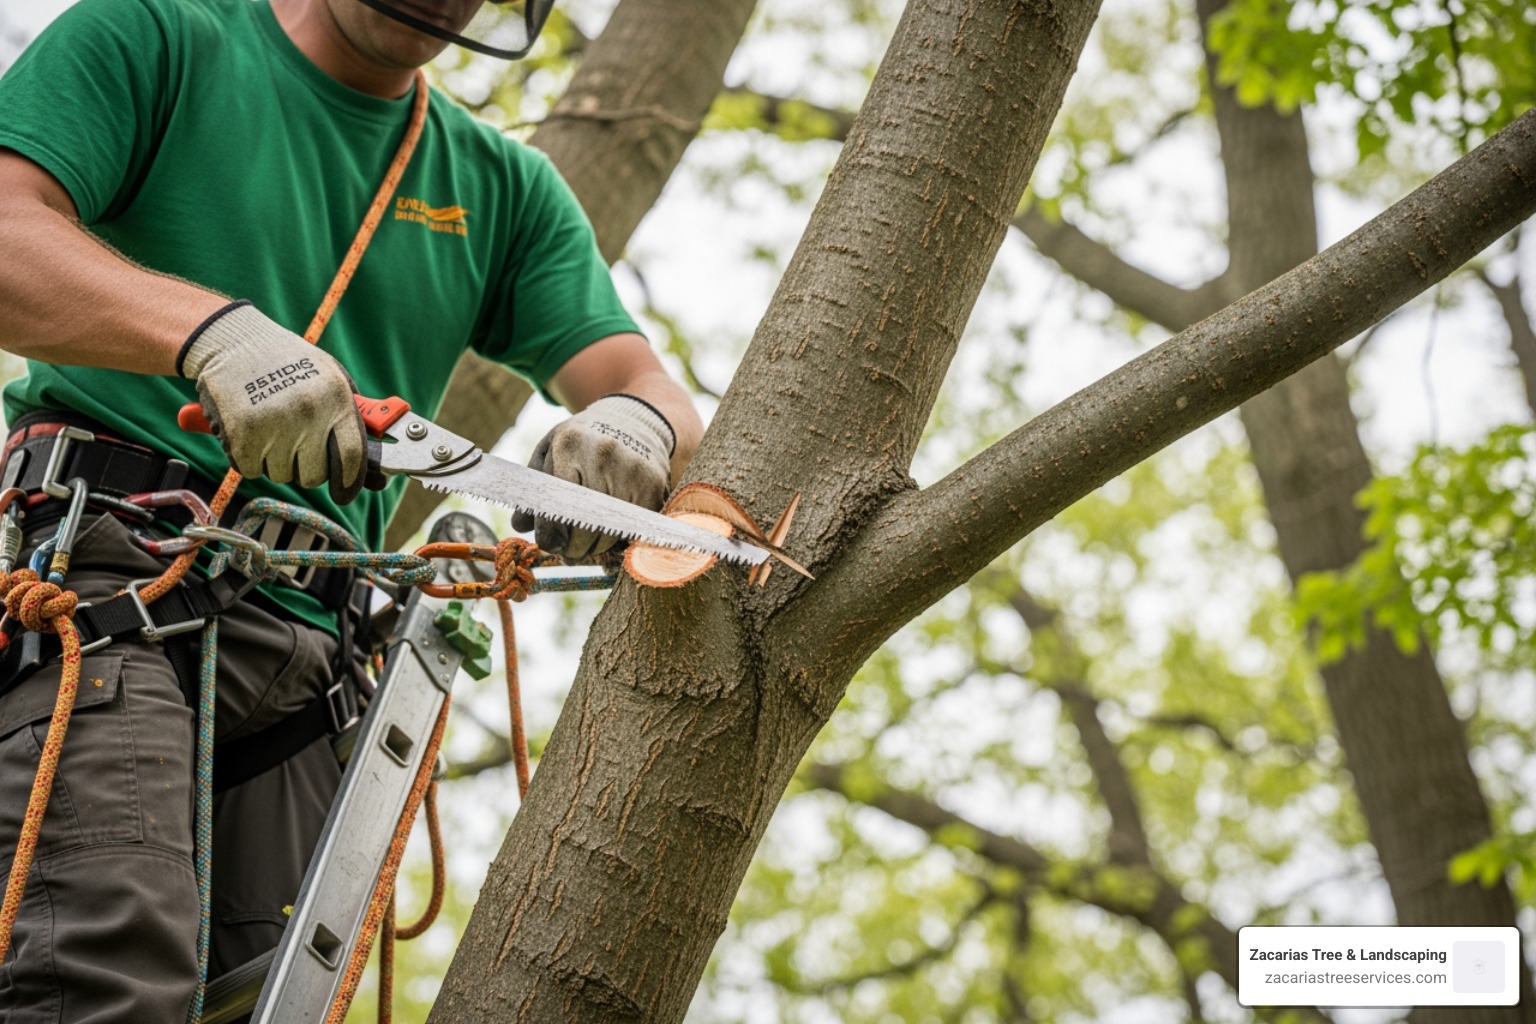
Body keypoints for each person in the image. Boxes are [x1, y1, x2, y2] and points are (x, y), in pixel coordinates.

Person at [0, 0, 703, 1017]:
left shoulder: (500, 190)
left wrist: (636, 423)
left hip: (307, 669)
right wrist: (208, 332)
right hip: (107, 580)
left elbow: (642, 377)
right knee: (105, 976)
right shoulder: (154, 35)